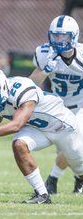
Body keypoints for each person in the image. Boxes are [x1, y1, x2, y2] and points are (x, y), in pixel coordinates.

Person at [0, 67, 83, 204]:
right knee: (19, 144)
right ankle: (42, 195)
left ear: (2, 88)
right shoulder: (1, 95)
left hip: (63, 126)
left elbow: (17, 124)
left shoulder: (22, 90)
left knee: (80, 168)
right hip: (37, 128)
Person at [29, 15, 83, 194]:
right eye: (56, 36)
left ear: (74, 36)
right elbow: (30, 83)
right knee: (67, 149)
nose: (59, 41)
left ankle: (52, 179)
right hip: (58, 107)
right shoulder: (45, 54)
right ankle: (78, 177)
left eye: (64, 36)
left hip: (80, 105)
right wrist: (45, 71)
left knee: (72, 143)